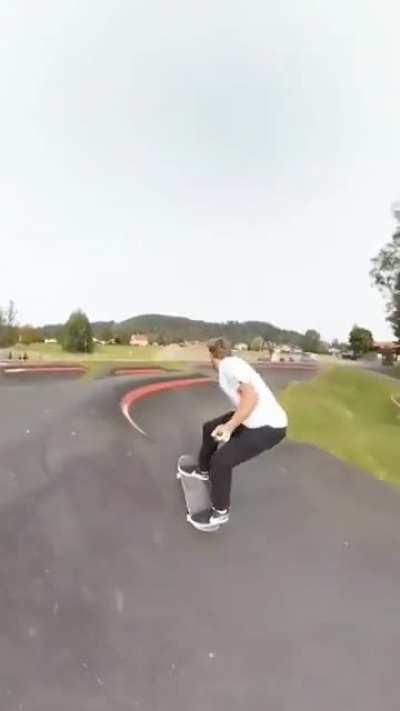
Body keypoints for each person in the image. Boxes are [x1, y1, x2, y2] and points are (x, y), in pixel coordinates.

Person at [179, 337, 288, 531]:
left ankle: (220, 511)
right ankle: (203, 471)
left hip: (268, 426)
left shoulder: (229, 366)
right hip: (252, 418)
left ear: (213, 355)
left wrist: (229, 427)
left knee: (221, 462)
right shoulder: (231, 365)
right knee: (210, 427)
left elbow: (251, 397)